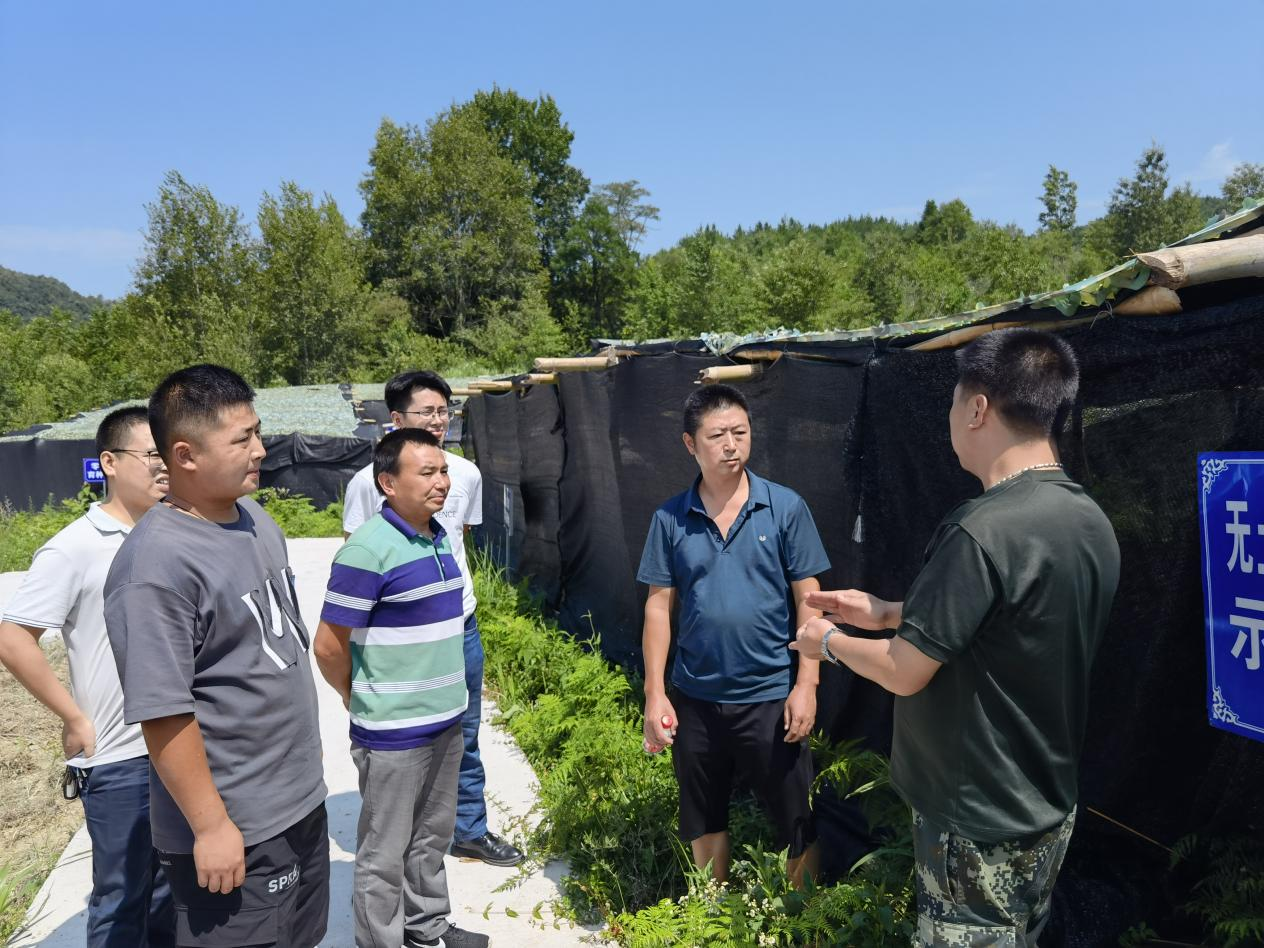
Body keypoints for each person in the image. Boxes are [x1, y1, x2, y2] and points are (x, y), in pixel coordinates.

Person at [792, 329, 1120, 946]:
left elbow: (903, 671)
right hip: (1044, 800)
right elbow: (1012, 626)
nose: (950, 417)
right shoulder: (1087, 519)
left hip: (976, 817)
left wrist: (825, 642)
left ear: (977, 408)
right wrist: (888, 612)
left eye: (952, 401)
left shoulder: (982, 529)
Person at [104, 365, 329, 948]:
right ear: (185, 455)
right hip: (237, 826)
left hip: (297, 802)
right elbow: (163, 712)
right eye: (241, 439)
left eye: (258, 431)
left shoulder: (254, 519)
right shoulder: (154, 566)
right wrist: (211, 827)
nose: (260, 449)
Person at [638, 383, 830, 887]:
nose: (731, 445)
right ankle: (713, 912)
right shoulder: (670, 518)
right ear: (690, 444)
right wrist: (655, 692)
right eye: (717, 435)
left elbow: (809, 599)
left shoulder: (784, 507)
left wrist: (806, 683)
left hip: (770, 693)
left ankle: (803, 919)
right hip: (695, 696)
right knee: (703, 816)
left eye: (740, 433)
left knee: (796, 817)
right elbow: (658, 608)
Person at [0, 406, 175, 947]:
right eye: (152, 454)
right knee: (122, 898)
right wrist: (74, 717)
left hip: (180, 744)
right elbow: (13, 638)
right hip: (120, 755)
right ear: (110, 463)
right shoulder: (75, 545)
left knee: (170, 890)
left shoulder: (176, 530)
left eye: (170, 453)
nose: (164, 465)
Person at [316, 427, 490, 948]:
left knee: (432, 836)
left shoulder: (439, 537)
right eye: (427, 472)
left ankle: (426, 925)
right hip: (393, 731)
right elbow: (328, 645)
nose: (442, 482)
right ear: (388, 483)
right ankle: (381, 940)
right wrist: (356, 696)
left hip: (445, 720)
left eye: (444, 471)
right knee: (384, 850)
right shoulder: (367, 549)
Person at [343, 370, 521, 868]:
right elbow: (356, 556)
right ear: (395, 418)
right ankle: (398, 833)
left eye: (444, 410)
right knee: (400, 741)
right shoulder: (367, 483)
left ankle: (468, 829)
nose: (438, 420)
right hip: (397, 636)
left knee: (464, 731)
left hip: (459, 625)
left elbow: (459, 539)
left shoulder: (466, 474)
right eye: (426, 412)